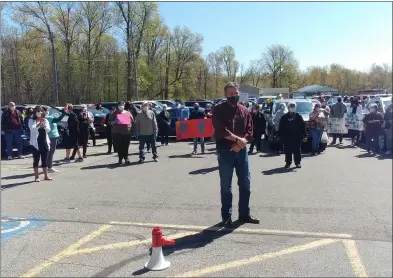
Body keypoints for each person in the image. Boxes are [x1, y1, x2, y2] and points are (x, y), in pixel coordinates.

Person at [212, 82, 259, 228]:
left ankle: (244, 214)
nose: (234, 96)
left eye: (236, 93)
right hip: (226, 152)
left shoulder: (244, 110)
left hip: (242, 152)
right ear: (226, 94)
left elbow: (250, 130)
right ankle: (227, 217)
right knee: (226, 187)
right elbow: (221, 130)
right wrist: (237, 140)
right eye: (231, 94)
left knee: (246, 184)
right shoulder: (218, 110)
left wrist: (242, 142)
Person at [278, 102, 306, 168]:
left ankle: (298, 163)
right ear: (288, 108)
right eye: (291, 107)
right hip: (287, 137)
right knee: (288, 150)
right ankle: (288, 163)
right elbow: (281, 127)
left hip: (297, 136)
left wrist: (304, 135)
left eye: (293, 107)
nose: (292, 108)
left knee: (297, 150)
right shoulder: (284, 117)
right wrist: (281, 136)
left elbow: (302, 126)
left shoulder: (298, 116)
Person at [28, 106, 52, 182]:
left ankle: (46, 175)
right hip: (35, 143)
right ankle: (36, 177)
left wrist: (44, 125)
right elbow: (32, 129)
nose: (39, 113)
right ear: (35, 113)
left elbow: (48, 130)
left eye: (41, 111)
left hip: (44, 142)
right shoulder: (31, 120)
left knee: (44, 160)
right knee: (36, 160)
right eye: (38, 111)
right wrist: (39, 124)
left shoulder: (45, 120)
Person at [42, 106, 66, 173]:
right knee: (50, 153)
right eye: (46, 110)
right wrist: (64, 113)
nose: (47, 111)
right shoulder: (48, 118)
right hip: (51, 137)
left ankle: (47, 166)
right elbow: (58, 119)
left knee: (49, 152)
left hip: (52, 136)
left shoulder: (47, 117)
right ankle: (49, 167)